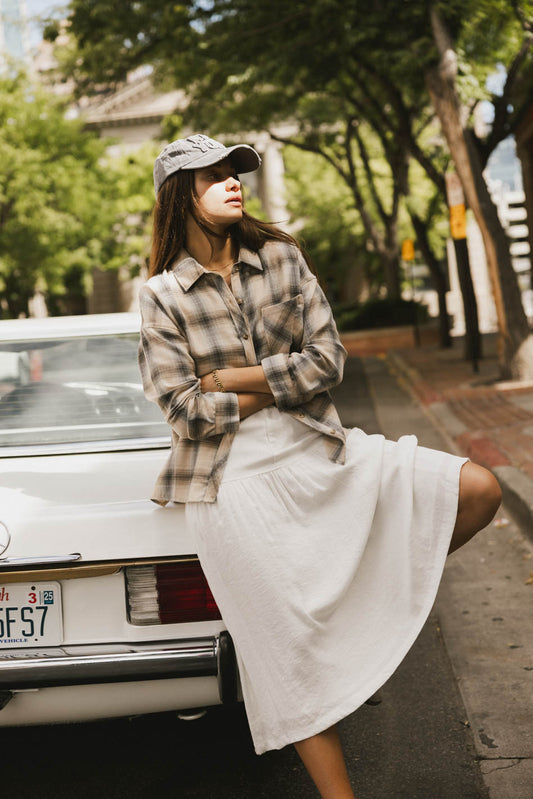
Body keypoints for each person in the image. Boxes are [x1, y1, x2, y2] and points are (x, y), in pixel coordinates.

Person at [138, 133, 502, 799]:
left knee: (478, 487)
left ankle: (378, 606)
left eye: (233, 171)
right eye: (210, 176)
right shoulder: (160, 295)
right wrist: (268, 384)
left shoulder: (279, 257)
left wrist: (231, 378)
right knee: (292, 659)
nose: (231, 182)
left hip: (318, 450)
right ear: (177, 198)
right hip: (231, 486)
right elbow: (185, 411)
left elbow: (328, 360)